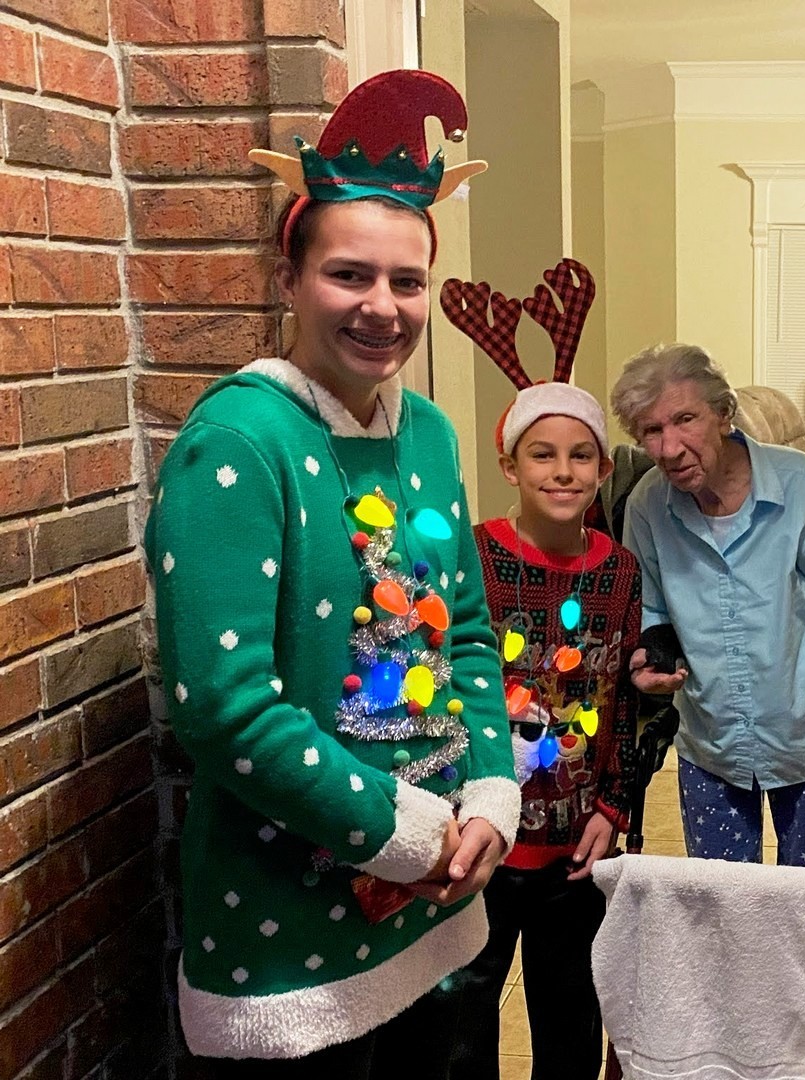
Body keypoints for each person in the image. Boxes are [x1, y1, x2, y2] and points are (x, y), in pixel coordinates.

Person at [144, 70, 517, 1075]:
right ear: (289, 280)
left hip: (438, 906)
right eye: (349, 275)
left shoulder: (430, 433)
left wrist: (491, 792)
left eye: (408, 281)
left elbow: (466, 631)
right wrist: (403, 834)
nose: (383, 308)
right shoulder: (237, 443)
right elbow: (224, 708)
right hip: (290, 936)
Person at [437, 259, 641, 1078]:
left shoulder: (620, 571)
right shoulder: (474, 555)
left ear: (603, 470)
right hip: (478, 838)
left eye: (581, 456)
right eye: (544, 455)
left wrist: (615, 805)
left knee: (569, 1019)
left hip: (575, 845)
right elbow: (443, 682)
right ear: (510, 466)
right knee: (464, 1023)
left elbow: (624, 701)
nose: (563, 471)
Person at [611, 344, 805, 877]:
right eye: (651, 430)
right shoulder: (648, 504)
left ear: (723, 414)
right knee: (723, 909)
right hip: (711, 745)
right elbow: (648, 606)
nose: (669, 448)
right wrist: (650, 658)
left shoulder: (800, 484)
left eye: (685, 419)